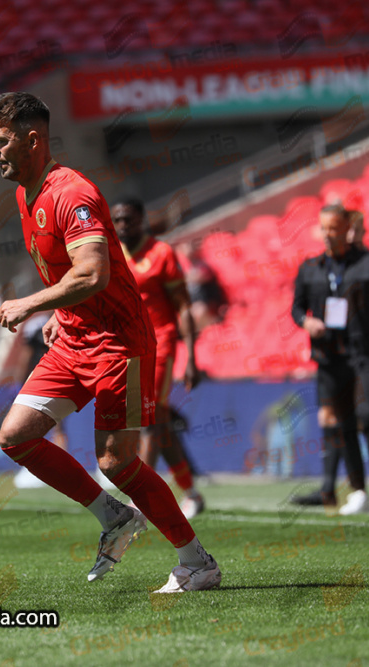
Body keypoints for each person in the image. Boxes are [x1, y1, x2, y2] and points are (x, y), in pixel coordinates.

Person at [0, 91, 220, 592]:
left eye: (0, 141)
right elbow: (69, 273)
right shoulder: (25, 194)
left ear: (33, 140)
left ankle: (197, 563)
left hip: (120, 346)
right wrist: (61, 310)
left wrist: (32, 304)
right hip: (74, 339)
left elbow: (92, 273)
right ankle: (114, 516)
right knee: (15, 436)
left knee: (117, 461)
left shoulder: (73, 195)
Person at [291, 204, 369, 515]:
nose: (327, 234)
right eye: (323, 228)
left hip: (365, 353)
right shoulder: (310, 268)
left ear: (347, 229)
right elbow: (296, 308)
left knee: (367, 415)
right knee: (344, 424)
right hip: (329, 356)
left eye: (333, 228)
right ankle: (358, 489)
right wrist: (306, 322)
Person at [112, 197, 206, 519]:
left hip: (160, 344)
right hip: (127, 347)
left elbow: (183, 306)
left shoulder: (161, 253)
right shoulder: (112, 254)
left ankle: (140, 500)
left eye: (129, 219)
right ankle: (191, 492)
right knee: (159, 423)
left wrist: (191, 357)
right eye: (117, 220)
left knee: (147, 419)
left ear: (142, 220)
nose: (123, 225)